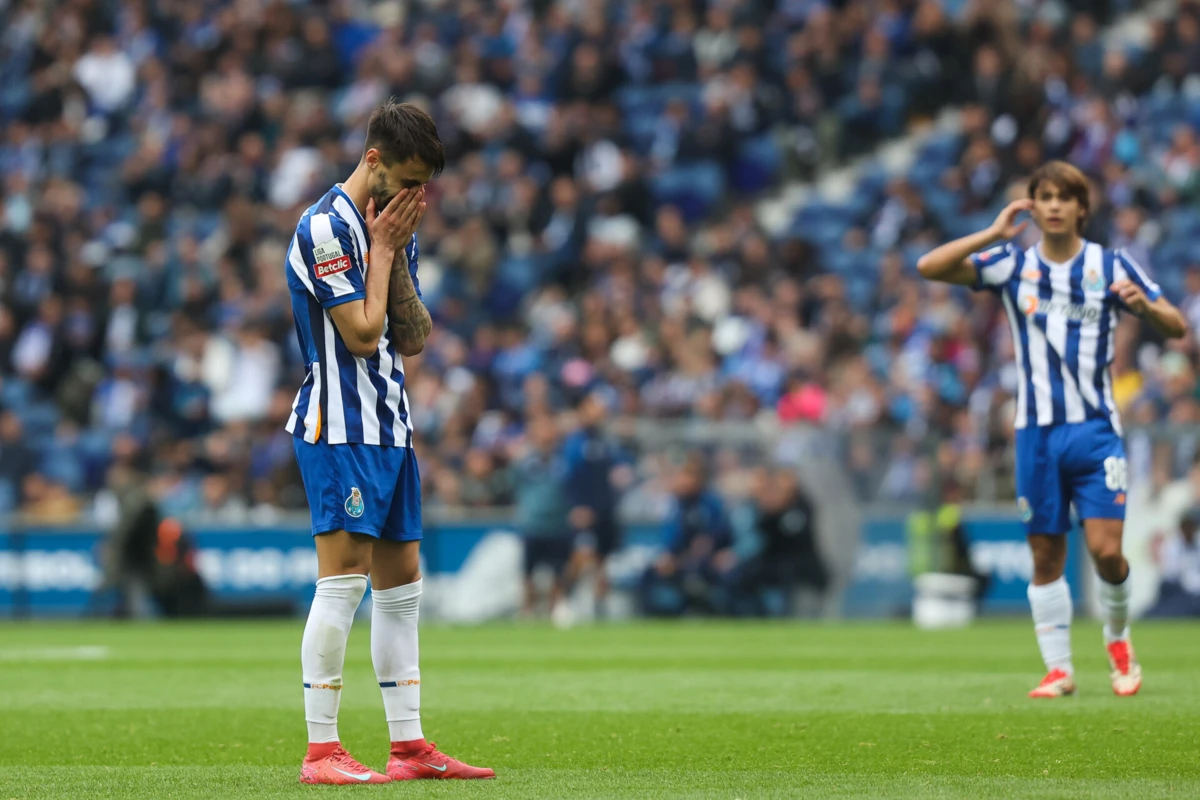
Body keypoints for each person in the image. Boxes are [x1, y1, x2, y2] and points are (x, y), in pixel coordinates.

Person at [917, 160, 1187, 698]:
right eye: (1045, 196)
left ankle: (1118, 638)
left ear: (1082, 208)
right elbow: (929, 265)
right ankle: (1060, 669)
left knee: (1107, 552)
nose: (1055, 205)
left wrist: (1147, 312)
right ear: (1032, 207)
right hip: (1036, 436)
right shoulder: (1010, 265)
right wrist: (992, 232)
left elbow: (1177, 325)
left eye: (1065, 196)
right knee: (1045, 555)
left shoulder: (1111, 267)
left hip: (1094, 431)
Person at [285, 100, 493, 784]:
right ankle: (321, 752)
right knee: (342, 584)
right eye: (406, 180)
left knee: (401, 588)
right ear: (372, 160)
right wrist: (380, 250)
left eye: (423, 186)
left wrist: (394, 250)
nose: (414, 198)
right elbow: (363, 333)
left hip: (392, 424)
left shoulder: (391, 226)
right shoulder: (325, 229)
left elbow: (415, 336)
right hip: (339, 426)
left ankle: (408, 747)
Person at [640, 454, 737, 616]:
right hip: (679, 558)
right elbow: (669, 537)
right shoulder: (674, 504)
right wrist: (666, 556)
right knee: (649, 573)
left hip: (707, 559)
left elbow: (719, 535)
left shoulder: (711, 503)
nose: (684, 481)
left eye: (689, 476)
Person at [562, 392, 628, 617]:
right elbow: (569, 477)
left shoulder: (606, 441)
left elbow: (620, 467)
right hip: (585, 510)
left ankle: (599, 608)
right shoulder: (576, 442)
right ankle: (564, 601)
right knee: (580, 556)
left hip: (605, 509)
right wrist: (577, 505)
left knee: (603, 561)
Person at [513, 414, 572, 620]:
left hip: (558, 524)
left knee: (559, 572)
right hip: (534, 524)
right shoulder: (525, 461)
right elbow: (514, 484)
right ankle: (528, 612)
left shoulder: (564, 461)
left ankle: (554, 609)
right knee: (528, 573)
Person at [1147, 507, 1200, 617]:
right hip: (1177, 589)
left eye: (1191, 527)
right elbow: (1170, 572)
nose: (1188, 530)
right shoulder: (1172, 544)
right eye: (1186, 527)